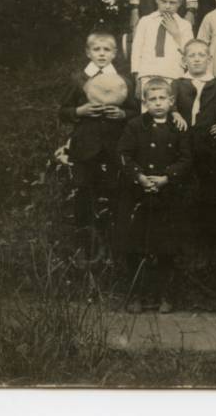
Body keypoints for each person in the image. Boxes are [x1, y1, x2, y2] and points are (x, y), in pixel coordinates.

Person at [58, 30, 138, 264]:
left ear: (114, 53)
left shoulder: (124, 80)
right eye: (96, 49)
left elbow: (135, 110)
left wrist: (122, 113)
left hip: (114, 147)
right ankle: (86, 253)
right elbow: (62, 111)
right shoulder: (79, 79)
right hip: (85, 147)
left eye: (106, 50)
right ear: (88, 52)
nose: (101, 54)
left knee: (116, 195)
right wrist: (79, 111)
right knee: (84, 194)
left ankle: (114, 254)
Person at [116, 77, 193, 314]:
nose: (158, 103)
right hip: (139, 194)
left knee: (166, 247)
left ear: (171, 101)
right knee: (137, 245)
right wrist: (139, 177)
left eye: (162, 98)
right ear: (145, 102)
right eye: (153, 99)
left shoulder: (178, 127)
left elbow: (186, 159)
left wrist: (167, 178)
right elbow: (124, 154)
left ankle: (165, 296)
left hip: (167, 194)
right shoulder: (135, 125)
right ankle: (137, 295)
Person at [172, 39, 216, 265]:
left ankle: (211, 250)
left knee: (210, 193)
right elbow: (166, 103)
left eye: (202, 55)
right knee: (185, 192)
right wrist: (174, 113)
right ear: (184, 60)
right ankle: (184, 250)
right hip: (184, 144)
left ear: (209, 60)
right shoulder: (178, 84)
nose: (197, 59)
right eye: (192, 55)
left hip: (209, 147)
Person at [130, 0, 195, 96]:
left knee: (171, 109)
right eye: (163, 1)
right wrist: (137, 76)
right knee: (148, 108)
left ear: (180, 2)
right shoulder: (145, 21)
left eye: (172, 2)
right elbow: (136, 50)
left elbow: (190, 52)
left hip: (173, 73)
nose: (167, 6)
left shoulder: (185, 25)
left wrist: (177, 34)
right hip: (147, 72)